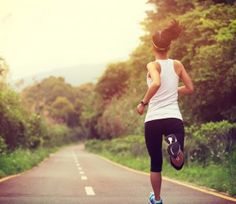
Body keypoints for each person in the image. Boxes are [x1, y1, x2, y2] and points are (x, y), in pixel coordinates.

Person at [136, 20, 194, 204]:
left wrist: (143, 102)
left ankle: (158, 200)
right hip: (173, 118)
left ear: (153, 47)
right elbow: (190, 88)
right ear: (169, 46)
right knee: (178, 164)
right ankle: (173, 144)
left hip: (153, 119)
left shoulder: (152, 65)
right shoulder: (177, 64)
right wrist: (173, 91)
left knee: (156, 163)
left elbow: (156, 83)